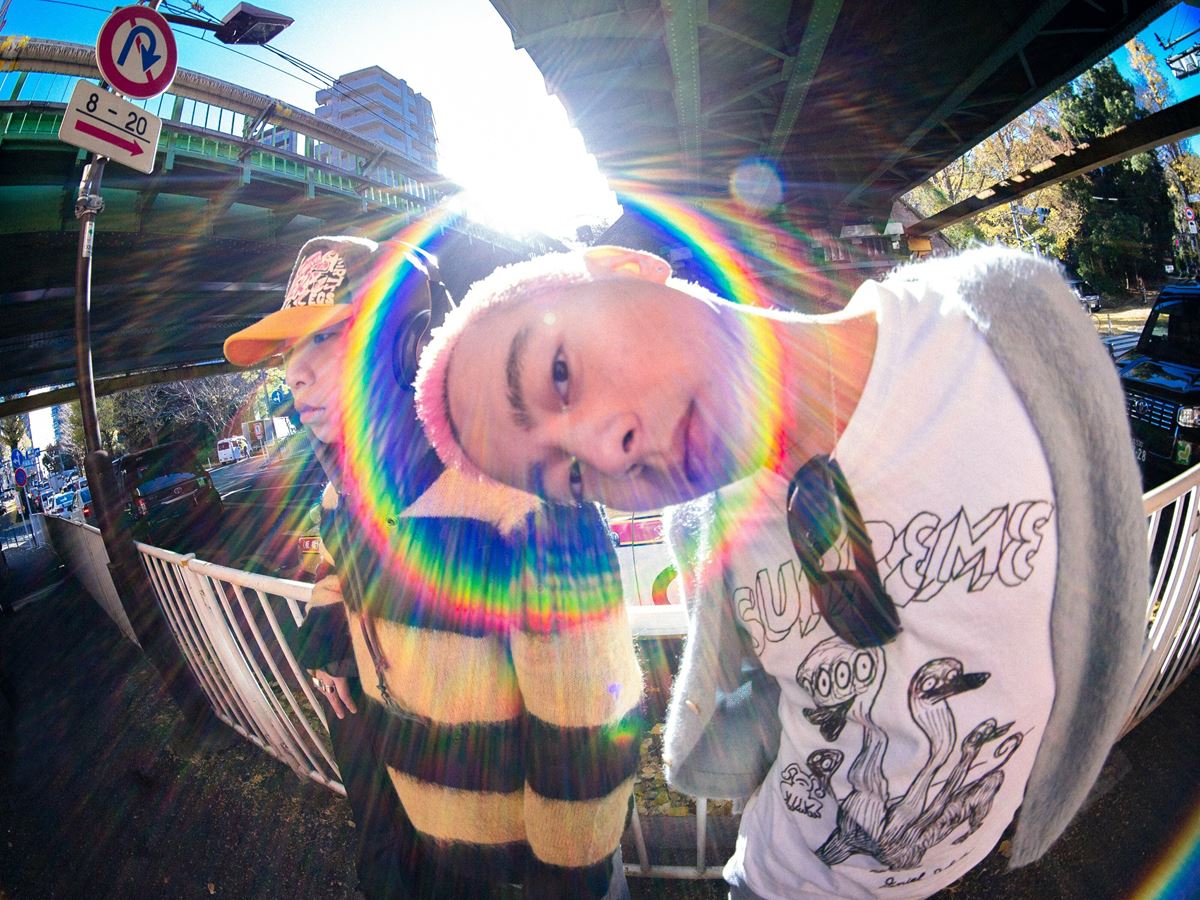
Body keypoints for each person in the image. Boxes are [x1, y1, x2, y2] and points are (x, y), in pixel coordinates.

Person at [413, 244, 1148, 898]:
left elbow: (1107, 596)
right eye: (572, 478)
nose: (607, 452)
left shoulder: (997, 337)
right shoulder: (712, 533)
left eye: (560, 372)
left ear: (624, 268)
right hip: (771, 876)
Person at [225, 235, 642, 898]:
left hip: (520, 868)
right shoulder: (345, 495)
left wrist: (568, 871)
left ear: (408, 345)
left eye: (324, 338)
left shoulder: (521, 498)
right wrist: (330, 634)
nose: (293, 374)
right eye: (287, 353)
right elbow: (335, 558)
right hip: (419, 834)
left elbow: (587, 714)